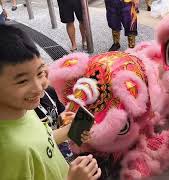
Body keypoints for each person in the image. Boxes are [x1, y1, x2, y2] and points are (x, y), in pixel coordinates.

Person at [0, 24, 101, 180]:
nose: (39, 87)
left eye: (40, 72)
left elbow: (41, 141)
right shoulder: (10, 152)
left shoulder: (23, 110)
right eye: (22, 81)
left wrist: (69, 131)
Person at [35, 86, 75, 161]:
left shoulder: (49, 91)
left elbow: (60, 113)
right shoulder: (26, 110)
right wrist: (70, 130)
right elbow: (37, 143)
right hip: (48, 156)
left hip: (65, 149)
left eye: (41, 75)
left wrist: (64, 118)